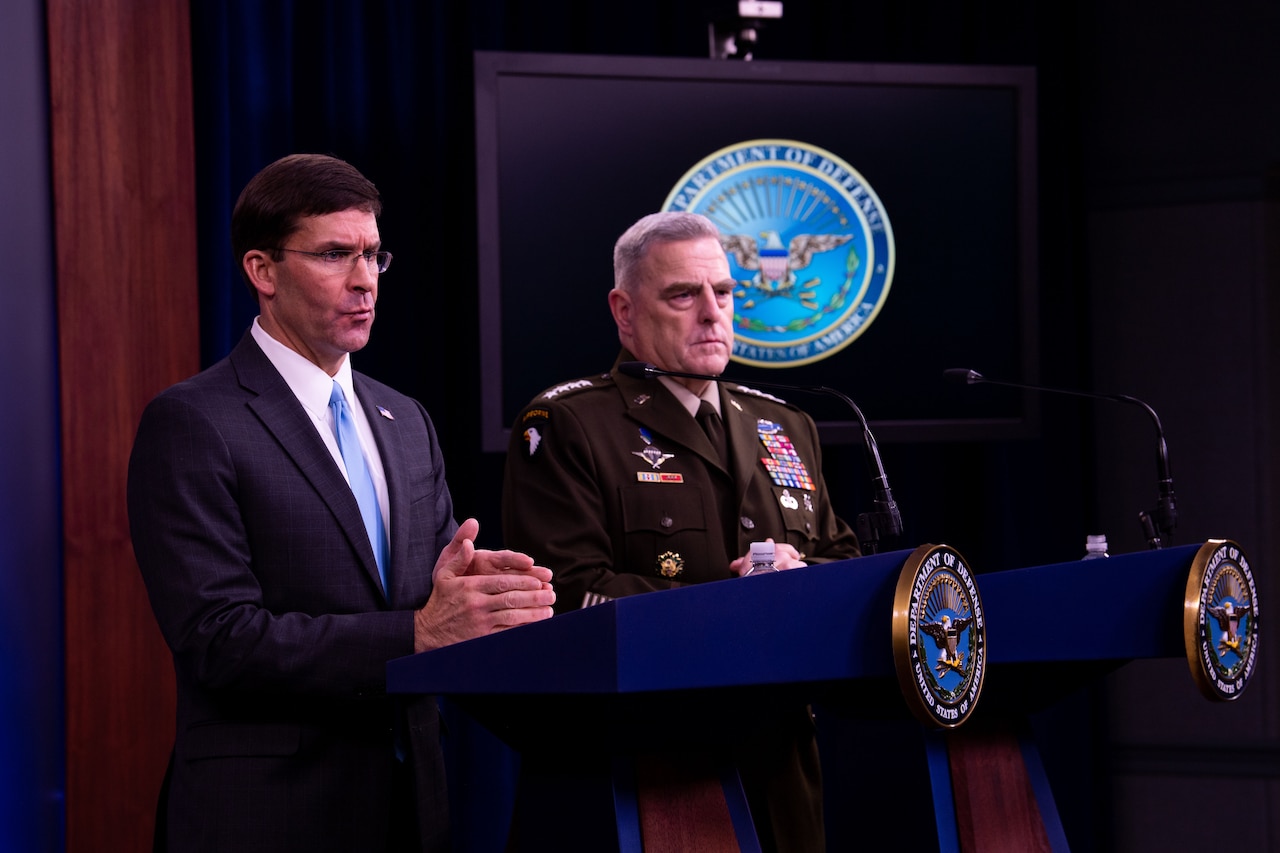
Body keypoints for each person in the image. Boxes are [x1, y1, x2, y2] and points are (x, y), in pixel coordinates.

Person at [128, 153, 556, 853]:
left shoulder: (405, 419)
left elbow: (434, 598)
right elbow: (219, 639)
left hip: (412, 811)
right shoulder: (193, 421)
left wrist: (487, 599)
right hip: (268, 817)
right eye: (334, 254)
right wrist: (417, 632)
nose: (364, 280)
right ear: (262, 271)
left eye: (373, 254)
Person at [501, 211, 860, 852]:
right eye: (682, 295)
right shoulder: (568, 422)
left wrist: (803, 581)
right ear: (625, 311)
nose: (712, 313)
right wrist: (734, 608)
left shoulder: (786, 423)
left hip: (782, 764)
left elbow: (842, 562)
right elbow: (566, 594)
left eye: (722, 293)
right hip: (648, 766)